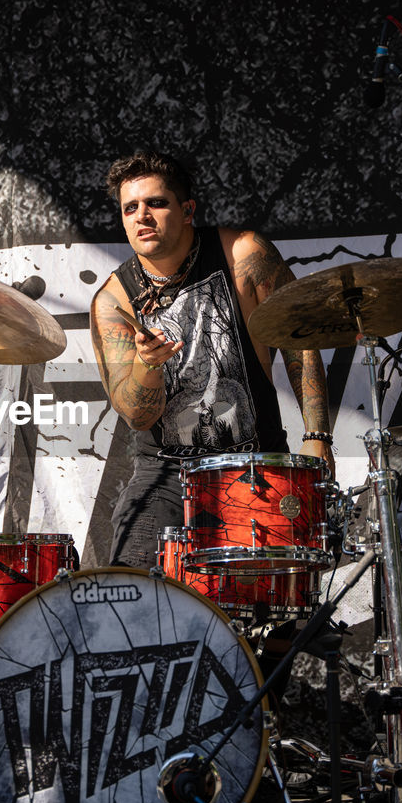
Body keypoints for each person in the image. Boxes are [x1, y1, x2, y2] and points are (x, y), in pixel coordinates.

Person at [88, 149, 333, 569]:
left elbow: (300, 341)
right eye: (130, 208)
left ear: (187, 210)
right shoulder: (113, 300)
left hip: (255, 460)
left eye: (156, 203)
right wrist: (148, 365)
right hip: (166, 474)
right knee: (129, 589)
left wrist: (318, 435)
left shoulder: (244, 254)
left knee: (277, 607)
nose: (141, 215)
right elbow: (135, 415)